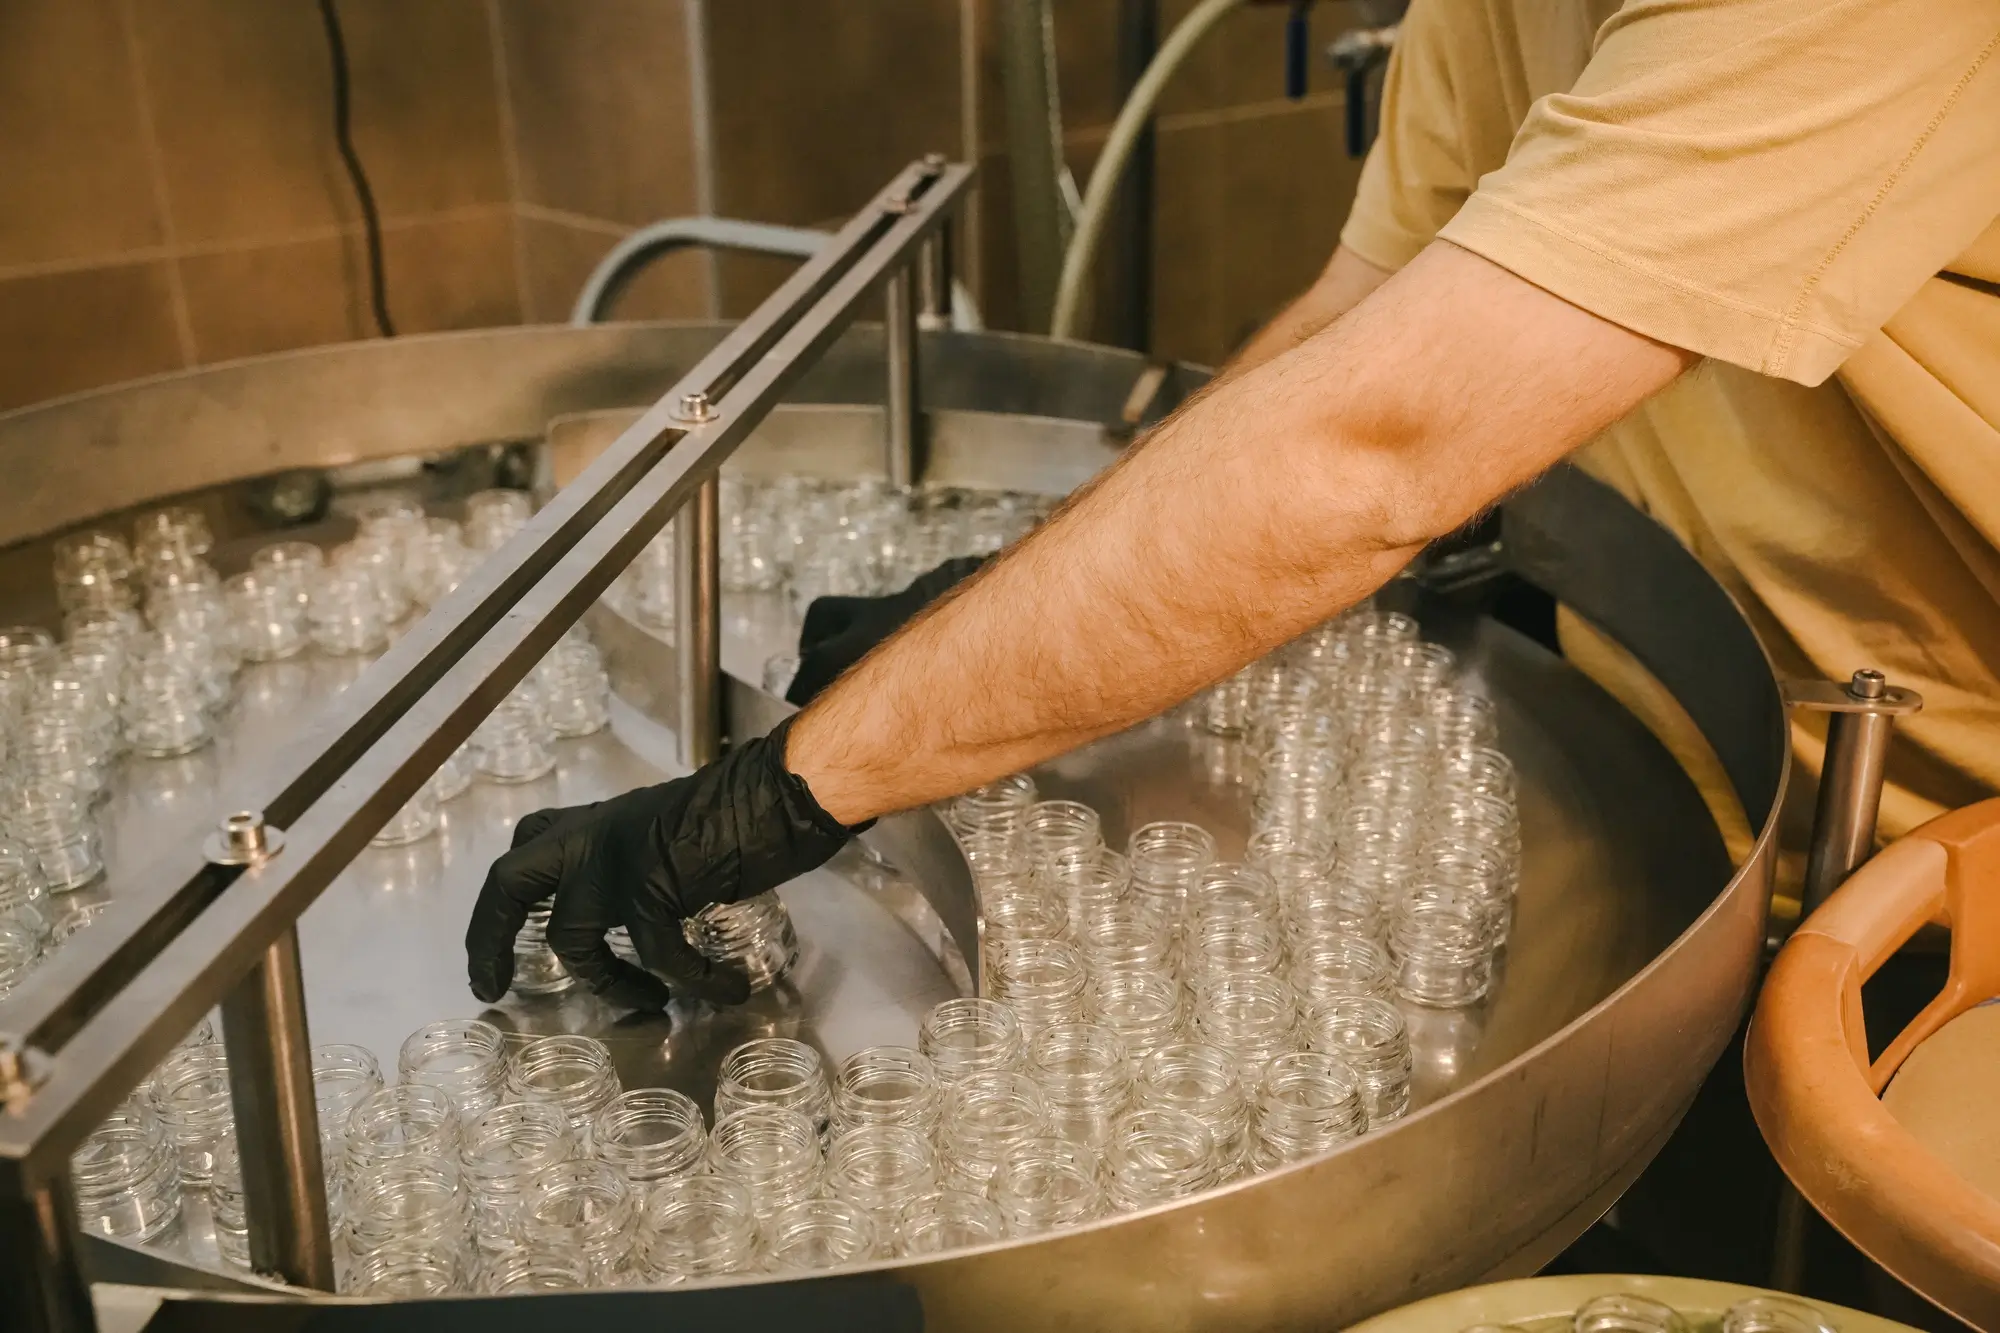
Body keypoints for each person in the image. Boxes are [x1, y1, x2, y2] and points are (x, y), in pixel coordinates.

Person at [465, 0, 2000, 1012]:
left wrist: (784, 789)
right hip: (1722, 746)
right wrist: (1018, 602)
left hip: (1952, 827)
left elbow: (1374, 447)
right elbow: (1369, 309)